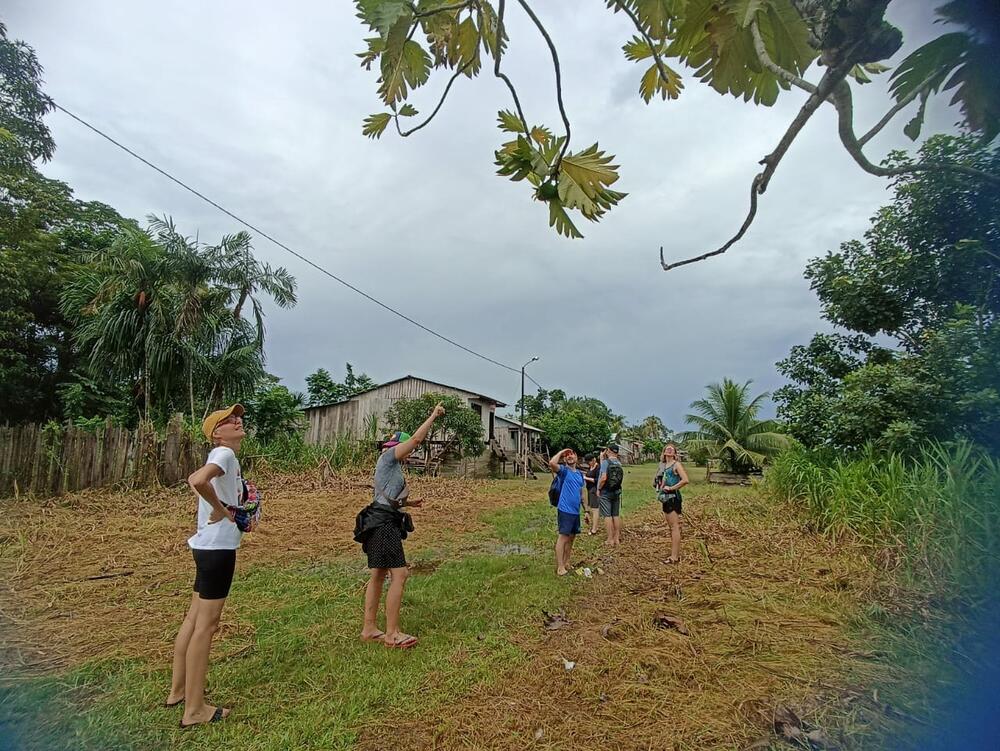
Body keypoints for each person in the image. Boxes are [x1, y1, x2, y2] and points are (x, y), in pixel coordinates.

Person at [168, 405, 247, 728]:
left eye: (238, 417)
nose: (237, 421)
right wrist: (223, 510)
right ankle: (195, 709)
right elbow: (197, 480)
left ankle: (178, 691)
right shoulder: (224, 454)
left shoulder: (224, 455)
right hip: (218, 550)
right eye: (229, 420)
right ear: (217, 433)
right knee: (207, 626)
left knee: (193, 618)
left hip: (204, 546)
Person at [354, 402, 446, 649]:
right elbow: (417, 439)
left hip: (378, 519)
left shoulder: (390, 465)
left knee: (378, 574)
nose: (410, 453)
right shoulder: (388, 457)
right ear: (396, 446)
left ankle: (370, 628)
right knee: (400, 574)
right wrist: (433, 415)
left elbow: (385, 495)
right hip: (383, 524)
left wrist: (410, 502)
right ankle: (392, 633)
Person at [548, 448, 587, 576]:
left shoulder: (580, 474)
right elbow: (552, 463)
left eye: (572, 454)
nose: (569, 456)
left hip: (575, 511)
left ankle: (566, 561)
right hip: (565, 510)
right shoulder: (564, 471)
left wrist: (586, 510)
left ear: (576, 457)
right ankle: (560, 567)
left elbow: (582, 494)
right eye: (567, 455)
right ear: (564, 459)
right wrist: (561, 451)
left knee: (571, 538)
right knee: (563, 537)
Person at [655, 443, 689, 564]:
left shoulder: (676, 465)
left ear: (674, 453)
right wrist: (660, 489)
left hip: (673, 497)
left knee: (675, 527)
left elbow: (685, 480)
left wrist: (672, 488)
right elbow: (663, 481)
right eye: (667, 448)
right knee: (671, 527)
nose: (669, 450)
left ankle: (674, 557)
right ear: (664, 452)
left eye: (672, 449)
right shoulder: (665, 466)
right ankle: (673, 553)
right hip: (666, 498)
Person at [597, 443, 624, 547]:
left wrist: (599, 488)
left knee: (607, 516)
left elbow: (603, 477)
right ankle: (616, 538)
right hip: (616, 491)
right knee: (615, 515)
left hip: (606, 492)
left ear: (608, 450)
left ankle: (610, 539)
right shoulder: (619, 463)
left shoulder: (605, 462)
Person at [583, 452, 601, 535]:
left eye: (589, 462)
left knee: (595, 509)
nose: (588, 464)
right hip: (589, 489)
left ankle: (594, 529)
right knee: (592, 509)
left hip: (594, 490)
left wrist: (586, 478)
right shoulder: (591, 467)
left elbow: (597, 480)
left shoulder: (598, 468)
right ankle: (593, 526)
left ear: (594, 459)